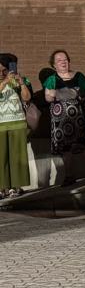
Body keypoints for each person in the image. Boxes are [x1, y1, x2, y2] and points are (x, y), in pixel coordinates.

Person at [43, 50, 85, 185]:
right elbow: (48, 98)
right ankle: (69, 176)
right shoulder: (52, 79)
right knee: (65, 148)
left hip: (80, 118)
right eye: (59, 60)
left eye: (65, 59)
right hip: (61, 120)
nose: (63, 62)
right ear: (54, 65)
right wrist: (64, 93)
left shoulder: (79, 76)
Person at [0, 53, 31, 199]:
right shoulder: (5, 81)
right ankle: (2, 188)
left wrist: (21, 83)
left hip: (18, 123)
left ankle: (16, 187)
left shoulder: (17, 80)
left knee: (17, 157)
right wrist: (5, 81)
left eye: (4, 70)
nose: (1, 73)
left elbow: (27, 98)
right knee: (2, 157)